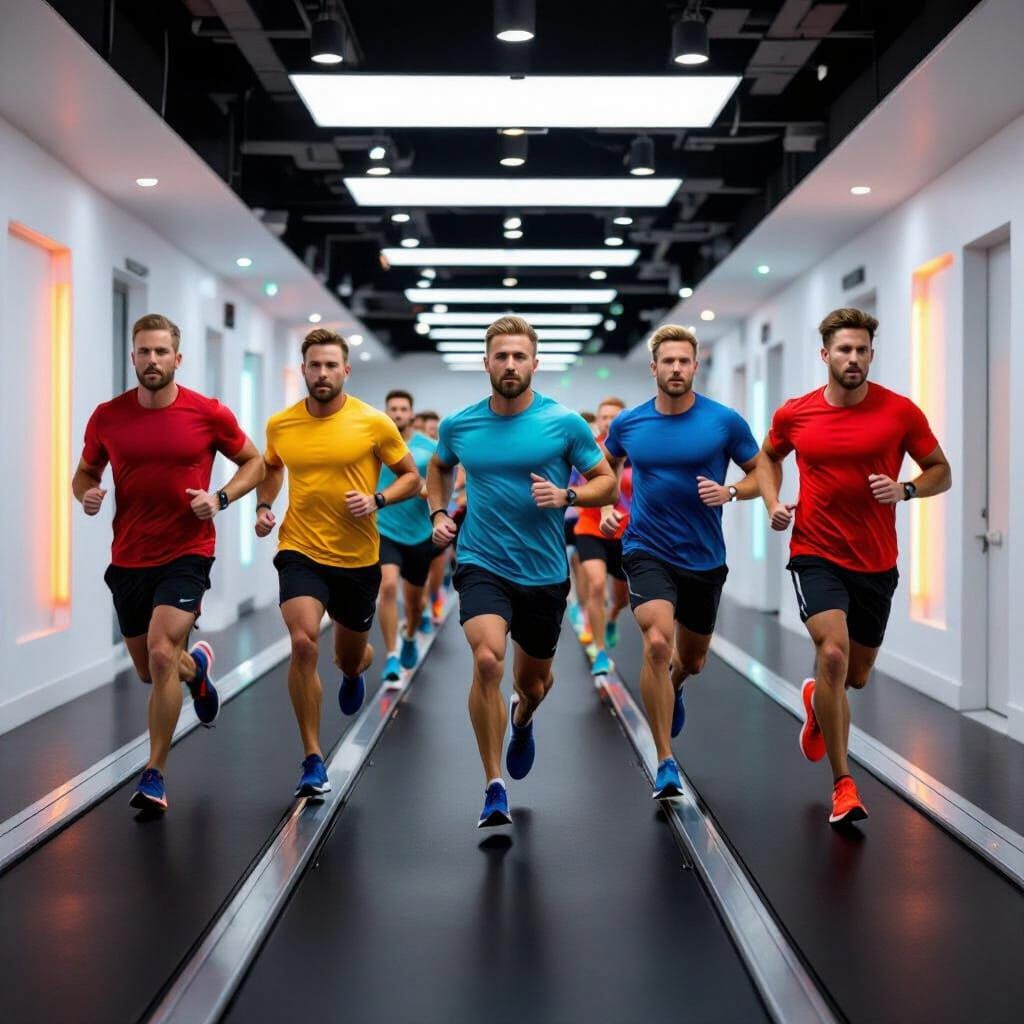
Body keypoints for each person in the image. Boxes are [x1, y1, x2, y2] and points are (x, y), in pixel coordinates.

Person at [757, 307, 951, 826]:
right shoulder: (796, 413)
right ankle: (844, 785)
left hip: (876, 562)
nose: (853, 358)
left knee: (856, 678)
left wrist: (905, 489)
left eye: (862, 350)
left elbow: (941, 472)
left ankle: (818, 700)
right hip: (814, 553)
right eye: (844, 349)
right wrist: (772, 503)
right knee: (834, 652)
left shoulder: (900, 412)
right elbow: (767, 457)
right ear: (825, 355)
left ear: (871, 354)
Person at [427, 316, 616, 828]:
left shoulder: (563, 424)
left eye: (519, 356)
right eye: (501, 356)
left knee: (534, 682)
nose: (510, 365)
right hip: (482, 562)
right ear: (486, 362)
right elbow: (440, 466)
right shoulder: (460, 424)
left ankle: (524, 715)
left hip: (544, 573)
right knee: (487, 659)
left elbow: (608, 483)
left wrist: (567, 495)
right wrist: (439, 513)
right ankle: (493, 786)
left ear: (535, 363)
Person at [73, 313, 264, 812]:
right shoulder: (107, 416)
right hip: (129, 557)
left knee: (160, 654)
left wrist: (220, 499)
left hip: (187, 552)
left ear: (178, 359)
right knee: (148, 668)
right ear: (132, 356)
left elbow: (255, 462)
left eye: (161, 352)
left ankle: (154, 773)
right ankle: (196, 671)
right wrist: (88, 495)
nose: (152, 360)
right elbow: (84, 473)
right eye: (144, 351)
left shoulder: (207, 413)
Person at [255, 329, 419, 799]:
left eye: (331, 366)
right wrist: (264, 508)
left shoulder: (373, 423)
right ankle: (311, 757)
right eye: (314, 365)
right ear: (303, 369)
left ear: (346, 370)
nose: (322, 374)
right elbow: (271, 466)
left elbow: (412, 478)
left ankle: (353, 670)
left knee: (350, 654)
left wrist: (377, 498)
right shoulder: (282, 425)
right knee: (303, 641)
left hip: (357, 558)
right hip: (299, 549)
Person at [604, 325, 760, 800]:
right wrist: (610, 505)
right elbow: (603, 465)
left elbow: (761, 473)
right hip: (646, 548)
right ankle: (665, 759)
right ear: (654, 367)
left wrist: (731, 491)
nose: (676, 369)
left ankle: (676, 683)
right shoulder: (629, 423)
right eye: (667, 361)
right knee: (655, 641)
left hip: (704, 558)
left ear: (695, 366)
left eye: (684, 361)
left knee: (690, 658)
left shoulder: (724, 422)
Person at [376, 389, 440, 681]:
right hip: (384, 529)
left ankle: (410, 633)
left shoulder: (429, 446)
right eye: (393, 409)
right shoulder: (376, 445)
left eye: (403, 409)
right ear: (386, 412)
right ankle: (391, 654)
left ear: (411, 414)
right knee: (388, 586)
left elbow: (441, 483)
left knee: (414, 603)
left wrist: (428, 490)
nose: (398, 413)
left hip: (419, 533)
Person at [574, 396, 632, 676]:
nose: (609, 422)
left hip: (627, 533)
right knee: (597, 584)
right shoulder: (590, 450)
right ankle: (599, 651)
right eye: (605, 417)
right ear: (598, 421)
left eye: (615, 417)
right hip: (591, 528)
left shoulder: (637, 450)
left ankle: (611, 617)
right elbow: (596, 485)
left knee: (622, 598)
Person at [566, 410, 597, 641]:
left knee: (582, 565)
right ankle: (576, 602)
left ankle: (583, 607)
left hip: (585, 519)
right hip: (563, 518)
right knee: (570, 562)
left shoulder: (596, 455)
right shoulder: (568, 451)